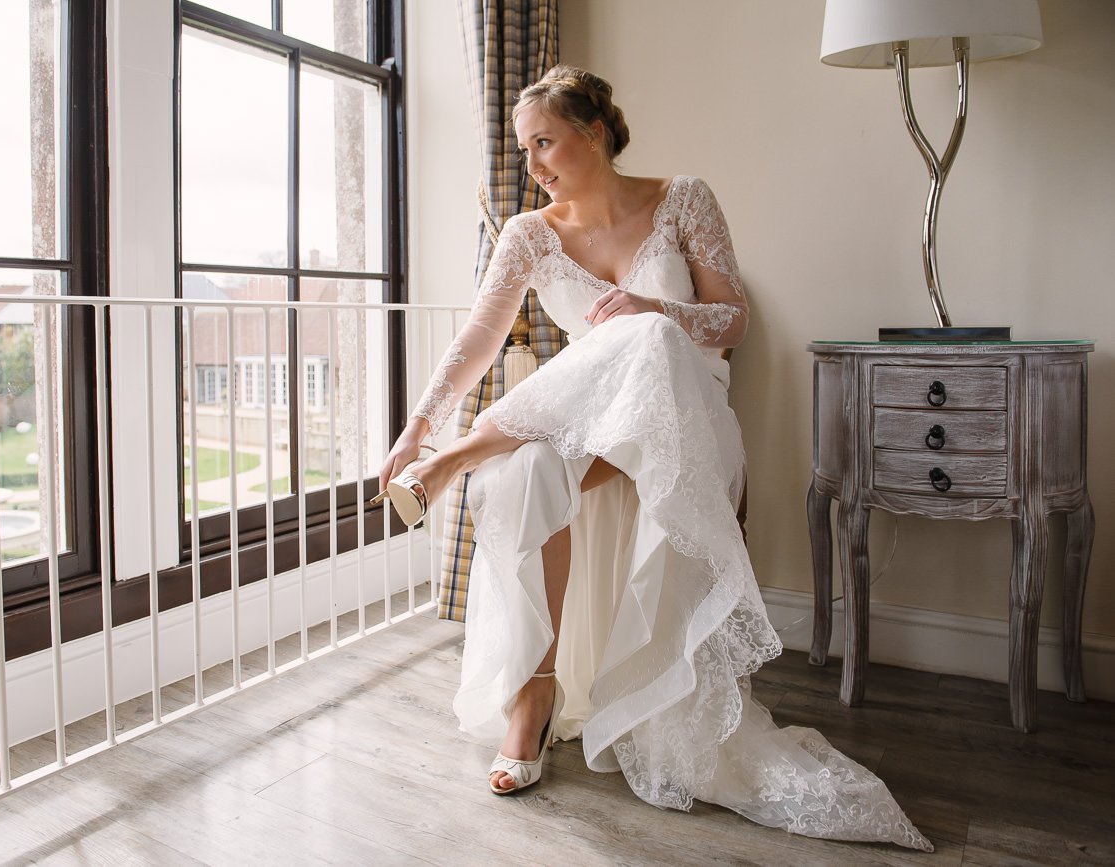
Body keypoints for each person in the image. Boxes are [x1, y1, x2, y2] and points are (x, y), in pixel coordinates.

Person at [375, 65, 933, 851]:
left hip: (687, 411)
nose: (531, 165)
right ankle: (531, 697)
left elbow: (730, 320)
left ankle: (459, 456)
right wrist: (415, 425)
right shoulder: (528, 234)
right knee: (528, 468)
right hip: (593, 420)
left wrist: (653, 309)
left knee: (639, 335)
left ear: (594, 133)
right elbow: (477, 341)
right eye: (523, 148)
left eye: (544, 143)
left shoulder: (684, 197)